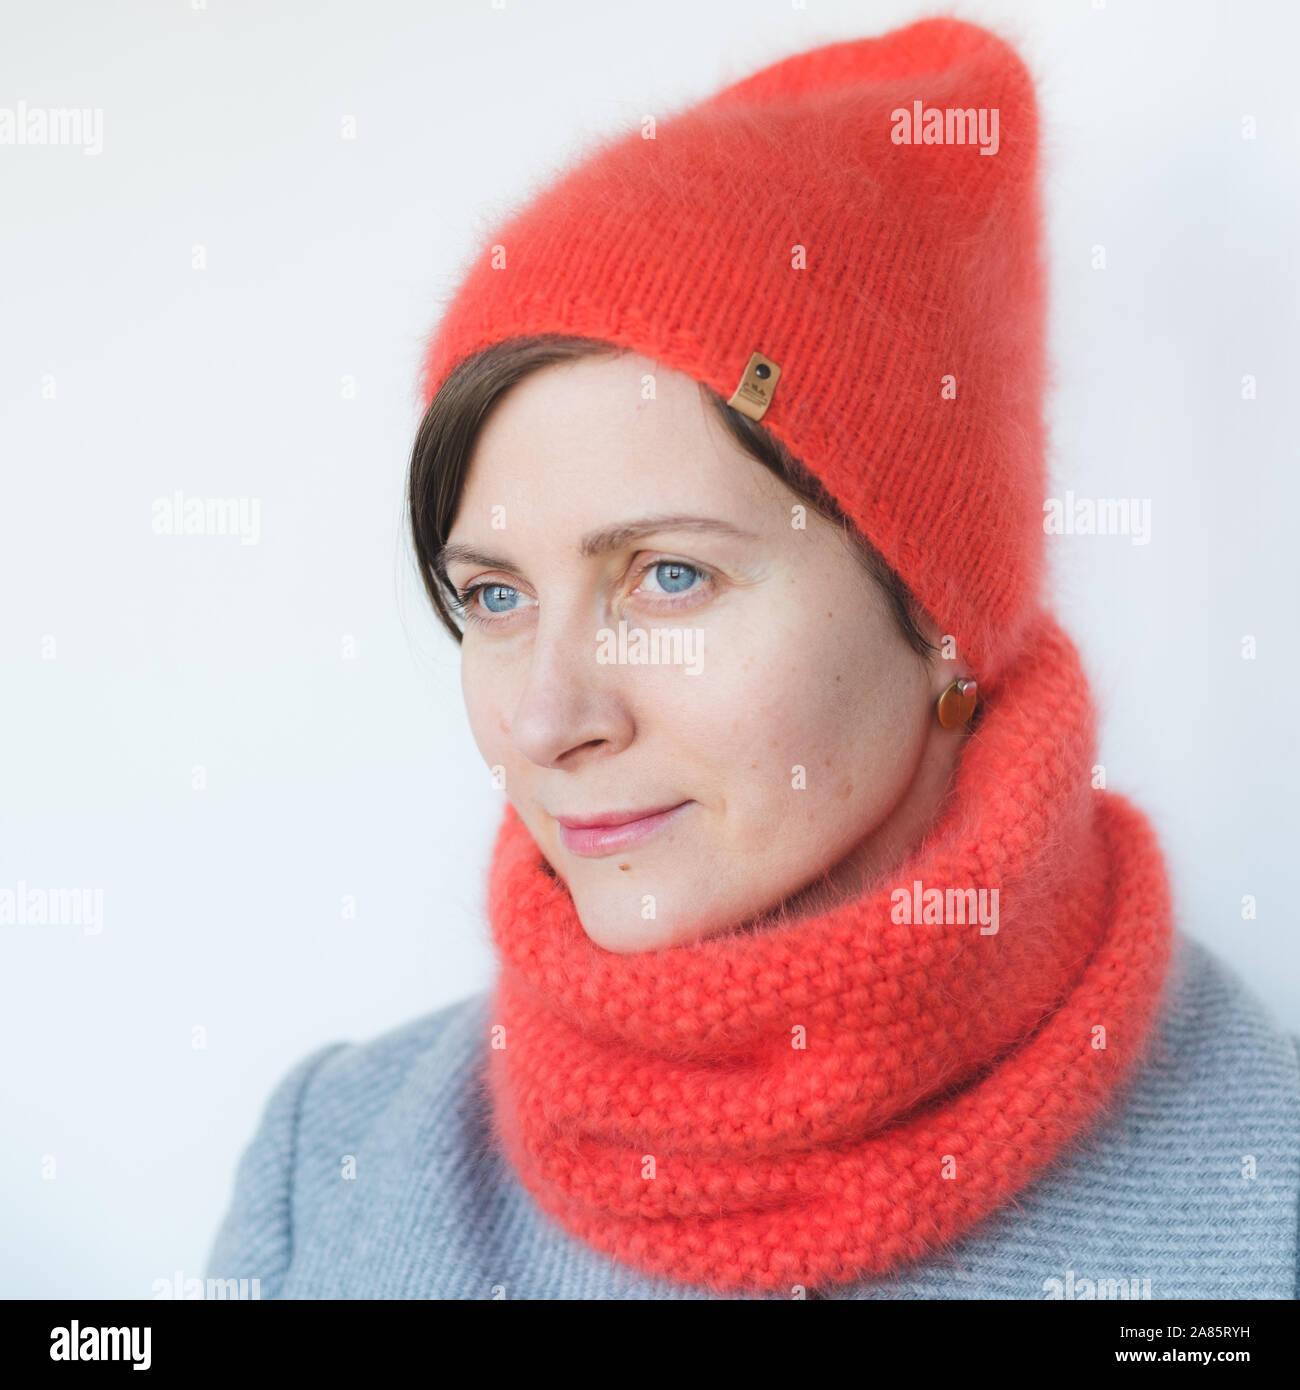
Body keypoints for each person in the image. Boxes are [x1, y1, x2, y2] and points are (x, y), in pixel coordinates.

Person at [206, 15, 1299, 1299]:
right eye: (495, 596)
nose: (549, 717)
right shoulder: (331, 1167)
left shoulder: (1256, 1202)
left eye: (669, 577)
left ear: (938, 610)